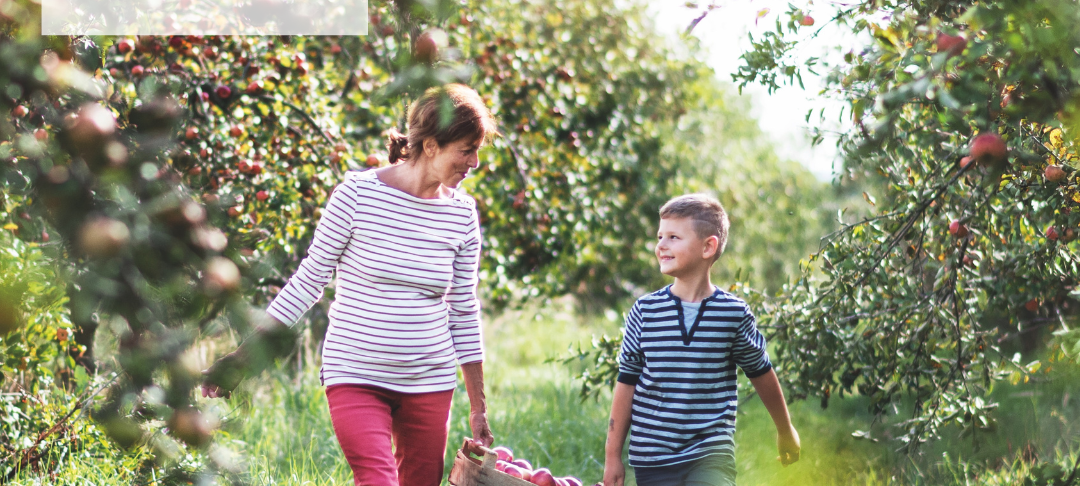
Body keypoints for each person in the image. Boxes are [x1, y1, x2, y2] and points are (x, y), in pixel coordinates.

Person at [201, 83, 499, 486]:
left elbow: (463, 310)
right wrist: (243, 356)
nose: (475, 162)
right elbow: (308, 281)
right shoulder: (358, 195)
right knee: (377, 479)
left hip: (429, 382)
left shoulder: (462, 214)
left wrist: (479, 408)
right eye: (466, 150)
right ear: (431, 146)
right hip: (355, 374)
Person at [602, 194, 801, 486]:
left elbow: (760, 371)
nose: (661, 245)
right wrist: (612, 456)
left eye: (673, 237)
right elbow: (627, 383)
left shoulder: (732, 313)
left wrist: (785, 430)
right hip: (653, 458)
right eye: (660, 236)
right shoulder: (645, 311)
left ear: (708, 247)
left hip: (711, 454)